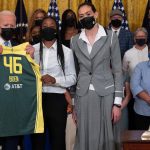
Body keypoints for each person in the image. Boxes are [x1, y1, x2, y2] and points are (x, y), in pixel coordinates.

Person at [71, 2, 123, 150]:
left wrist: (117, 103)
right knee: (84, 135)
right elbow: (75, 73)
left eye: (88, 14)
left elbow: (118, 71)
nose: (85, 18)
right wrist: (74, 105)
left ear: (96, 14)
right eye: (81, 16)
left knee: (105, 137)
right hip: (83, 95)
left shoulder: (111, 37)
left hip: (106, 94)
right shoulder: (75, 40)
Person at [31, 16, 76, 150]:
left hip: (57, 100)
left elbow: (73, 78)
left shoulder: (66, 52)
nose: (48, 28)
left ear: (56, 29)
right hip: (37, 100)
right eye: (45, 26)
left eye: (51, 26)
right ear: (40, 29)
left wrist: (55, 80)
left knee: (58, 140)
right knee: (37, 140)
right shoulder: (32, 50)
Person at [0, 10, 35, 150]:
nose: (9, 28)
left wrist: (31, 58)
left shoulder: (19, 46)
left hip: (12, 110)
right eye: (5, 25)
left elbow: (29, 77)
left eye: (12, 26)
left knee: (11, 146)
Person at [130, 51, 150, 130]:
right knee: (141, 140)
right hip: (142, 112)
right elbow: (134, 86)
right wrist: (148, 99)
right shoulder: (140, 66)